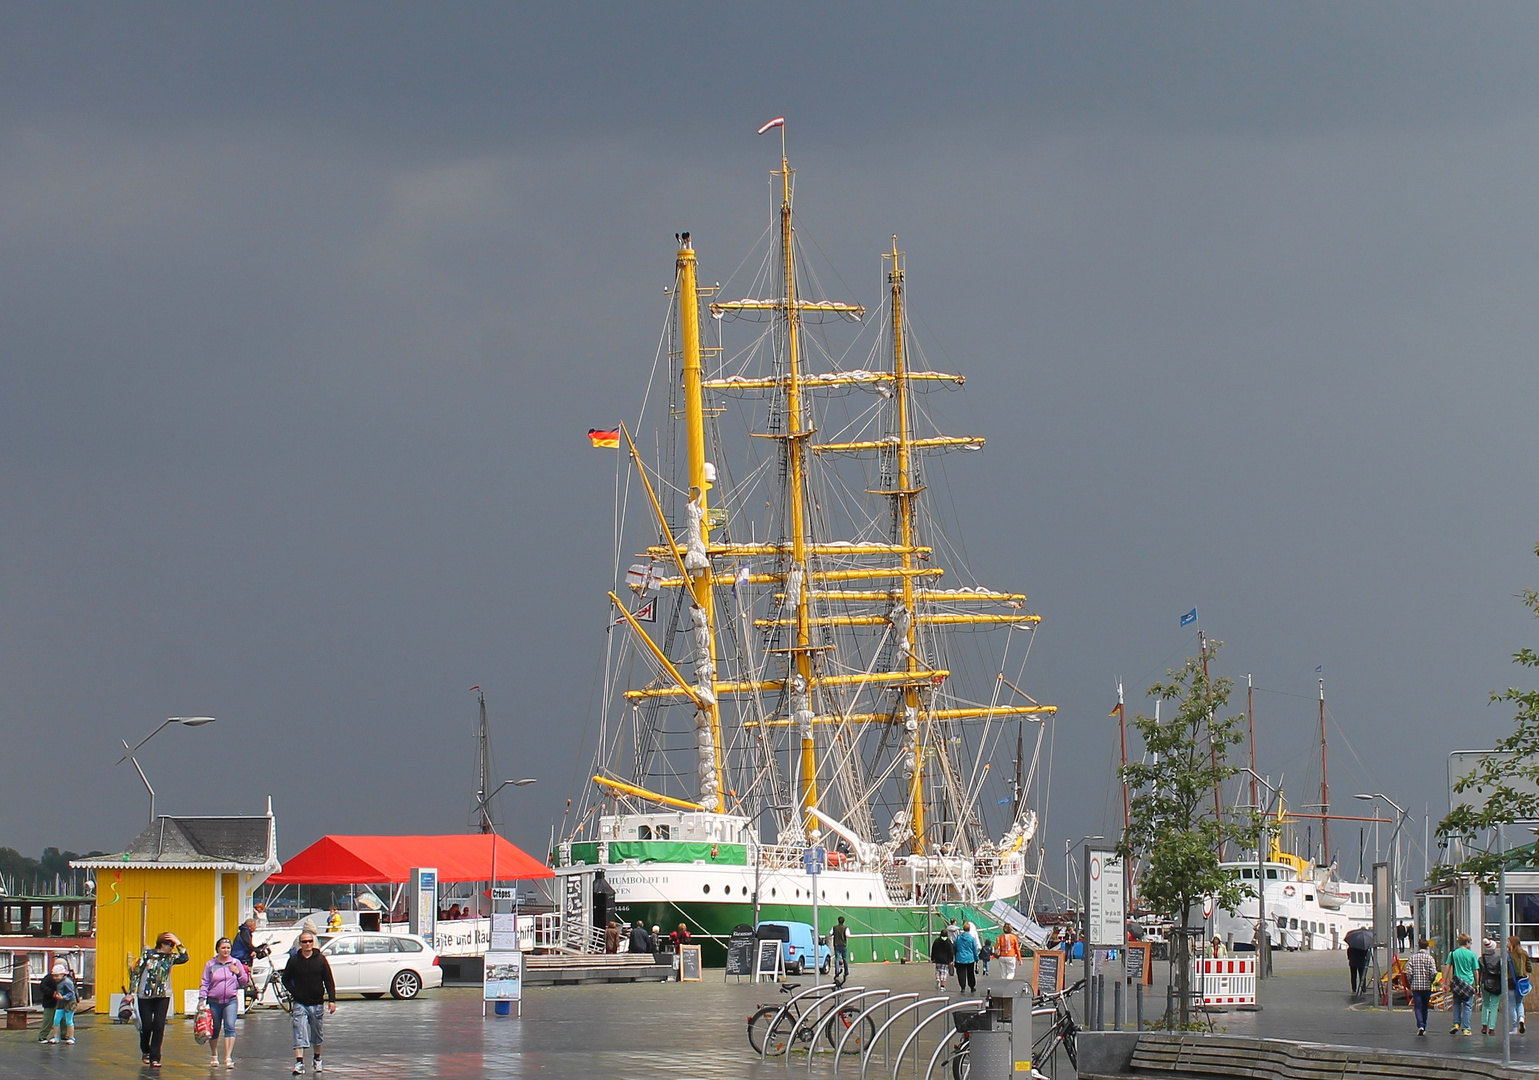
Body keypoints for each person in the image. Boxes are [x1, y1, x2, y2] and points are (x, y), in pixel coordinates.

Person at [282, 929, 337, 1075]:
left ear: (313, 943)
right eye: (304, 942)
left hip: (317, 1002)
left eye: (310, 941)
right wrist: (294, 992)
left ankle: (317, 1058)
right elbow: (285, 978)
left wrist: (332, 1000)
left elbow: (329, 980)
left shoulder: (320, 959)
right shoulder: (294, 960)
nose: (307, 944)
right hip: (300, 1002)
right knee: (299, 1030)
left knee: (317, 1033)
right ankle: (299, 1062)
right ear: (300, 944)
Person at [134, 931, 189, 1067]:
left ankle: (155, 1057)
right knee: (147, 1026)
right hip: (145, 994)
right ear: (160, 943)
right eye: (168, 944)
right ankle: (145, 1050)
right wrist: (131, 992)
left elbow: (185, 957)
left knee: (159, 1025)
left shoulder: (171, 957)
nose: (170, 947)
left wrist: (179, 942)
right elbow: (136, 973)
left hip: (163, 994)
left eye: (172, 944)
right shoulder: (148, 955)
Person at [200, 936, 250, 1068]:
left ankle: (228, 1057)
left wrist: (238, 972)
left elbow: (244, 981)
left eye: (228, 948)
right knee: (215, 1028)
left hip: (230, 1000)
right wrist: (201, 999)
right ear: (218, 949)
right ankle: (214, 1055)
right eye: (223, 948)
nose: (226, 950)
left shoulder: (235, 962)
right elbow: (205, 982)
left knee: (230, 1027)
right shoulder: (211, 964)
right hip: (214, 1000)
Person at [1445, 932, 1479, 1036]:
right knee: (1467, 1006)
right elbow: (1476, 971)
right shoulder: (1472, 954)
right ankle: (1466, 1028)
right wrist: (1477, 985)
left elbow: (1447, 967)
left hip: (1457, 983)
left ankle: (1456, 1024)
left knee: (1456, 1003)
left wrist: (1445, 982)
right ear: (1467, 942)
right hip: (1468, 982)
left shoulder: (1453, 953)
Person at [1406, 938, 1437, 1036]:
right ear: (1427, 947)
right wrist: (1431, 980)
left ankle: (1420, 1025)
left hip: (1416, 986)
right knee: (1425, 1007)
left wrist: (1411, 981)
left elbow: (1409, 972)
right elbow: (1433, 972)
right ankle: (1424, 1024)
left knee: (1418, 1007)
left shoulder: (1413, 958)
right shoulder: (1430, 958)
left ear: (1418, 946)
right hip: (1427, 986)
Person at [49, 963, 77, 1044]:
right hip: (60, 1002)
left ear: (62, 974)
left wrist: (63, 997)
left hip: (70, 1003)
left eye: (57, 976)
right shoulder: (58, 982)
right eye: (54, 976)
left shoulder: (67, 982)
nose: (55, 978)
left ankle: (71, 1037)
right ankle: (55, 1036)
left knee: (69, 1020)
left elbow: (71, 993)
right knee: (56, 1020)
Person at [1479, 939, 1503, 1035]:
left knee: (1485, 1004)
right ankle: (1491, 1028)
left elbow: (1479, 971)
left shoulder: (1481, 959)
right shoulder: (1499, 958)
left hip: (1484, 982)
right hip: (1496, 983)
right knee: (1494, 1005)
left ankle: (1484, 1025)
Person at [35, 962, 60, 1044]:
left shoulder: (66, 979)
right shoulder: (48, 978)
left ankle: (64, 1035)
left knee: (64, 1020)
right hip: (50, 1002)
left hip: (61, 1002)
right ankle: (42, 1036)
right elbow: (42, 987)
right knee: (48, 1020)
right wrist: (52, 992)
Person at [1510, 935, 1530, 1035]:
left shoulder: (1509, 955)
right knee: (1520, 1003)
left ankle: (1514, 1027)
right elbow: (1529, 968)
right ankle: (1521, 1019)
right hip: (1521, 982)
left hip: (1511, 982)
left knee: (1512, 1005)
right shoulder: (1525, 954)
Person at [1344, 926, 1372, 994]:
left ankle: (1354, 989)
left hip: (1352, 962)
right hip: (1361, 962)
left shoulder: (1352, 945)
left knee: (1353, 976)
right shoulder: (1364, 946)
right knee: (1362, 975)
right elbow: (1366, 954)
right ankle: (1363, 988)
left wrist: (1349, 958)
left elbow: (1348, 953)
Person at [953, 921, 979, 993]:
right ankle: (972, 986)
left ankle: (962, 987)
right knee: (970, 973)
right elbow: (975, 949)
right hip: (970, 958)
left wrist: (955, 955)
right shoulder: (971, 938)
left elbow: (954, 947)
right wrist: (976, 958)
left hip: (960, 958)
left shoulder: (958, 938)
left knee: (961, 973)